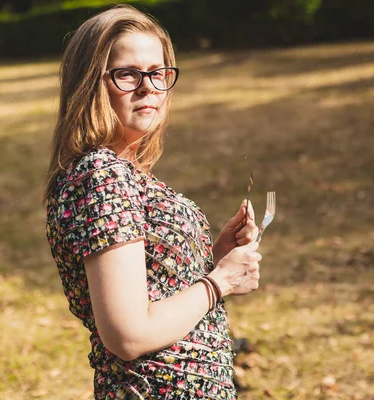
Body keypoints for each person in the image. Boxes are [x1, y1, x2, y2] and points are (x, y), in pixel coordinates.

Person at [43, 5, 261, 399]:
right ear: (90, 84)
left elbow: (152, 291)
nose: (148, 87)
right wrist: (220, 280)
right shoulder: (101, 176)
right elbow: (127, 334)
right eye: (127, 74)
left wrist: (210, 259)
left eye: (158, 73)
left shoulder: (122, 172)